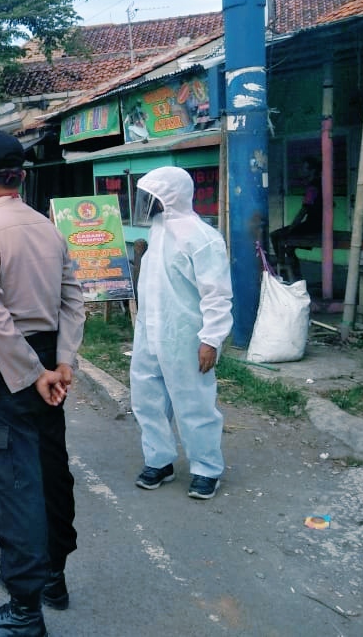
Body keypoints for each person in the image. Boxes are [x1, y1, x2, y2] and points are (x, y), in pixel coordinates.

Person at [0, 131, 84, 637]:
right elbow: (73, 299)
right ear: (21, 178)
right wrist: (62, 364)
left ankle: (24, 610)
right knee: (51, 467)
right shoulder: (48, 229)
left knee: (14, 480)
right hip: (49, 357)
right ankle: (54, 577)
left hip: (4, 365)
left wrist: (31, 375)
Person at [130, 166, 233, 501]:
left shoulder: (202, 238)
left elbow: (217, 294)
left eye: (153, 195)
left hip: (186, 335)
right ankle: (159, 461)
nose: (148, 202)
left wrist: (211, 339)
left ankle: (206, 468)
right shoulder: (158, 229)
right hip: (149, 330)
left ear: (170, 195)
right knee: (147, 400)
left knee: (194, 402)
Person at [270, 157, 323, 279]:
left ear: (312, 170)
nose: (301, 170)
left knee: (275, 235)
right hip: (316, 224)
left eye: (304, 168)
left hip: (312, 226)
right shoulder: (319, 184)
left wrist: (291, 228)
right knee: (289, 247)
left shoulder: (313, 187)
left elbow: (303, 211)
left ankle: (282, 266)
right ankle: (294, 273)